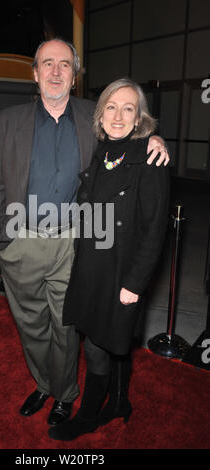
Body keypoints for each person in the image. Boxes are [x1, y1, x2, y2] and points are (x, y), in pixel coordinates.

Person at [0, 39, 169, 428]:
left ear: (75, 75)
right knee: (30, 324)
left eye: (64, 65)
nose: (55, 72)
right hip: (22, 241)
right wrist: (3, 238)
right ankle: (43, 383)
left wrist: (154, 139)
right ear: (35, 74)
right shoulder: (6, 121)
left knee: (67, 325)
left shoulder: (94, 115)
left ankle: (66, 394)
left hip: (75, 241)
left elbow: (129, 129)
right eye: (47, 64)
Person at [48, 78, 170, 441]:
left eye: (128, 108)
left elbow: (154, 230)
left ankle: (87, 416)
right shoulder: (101, 151)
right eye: (112, 107)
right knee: (109, 340)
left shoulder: (150, 157)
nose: (119, 115)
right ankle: (119, 402)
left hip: (121, 273)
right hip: (91, 267)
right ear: (101, 115)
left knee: (99, 347)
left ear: (139, 118)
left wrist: (135, 284)